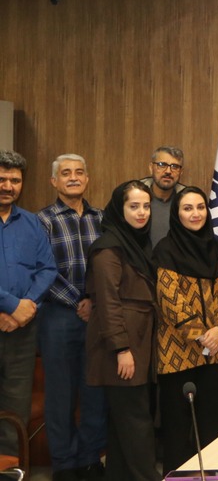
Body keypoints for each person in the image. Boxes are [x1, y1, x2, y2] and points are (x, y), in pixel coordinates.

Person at [154, 186, 218, 473]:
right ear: (177, 213)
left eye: (200, 207)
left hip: (215, 351)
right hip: (177, 353)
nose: (195, 213)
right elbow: (169, 299)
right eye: (187, 208)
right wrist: (202, 334)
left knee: (212, 424)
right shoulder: (165, 250)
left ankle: (213, 475)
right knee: (177, 428)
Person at [36, 153, 107, 480]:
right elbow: (41, 270)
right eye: (66, 173)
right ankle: (64, 464)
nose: (74, 177)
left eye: (79, 172)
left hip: (97, 315)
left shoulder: (102, 218)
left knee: (94, 392)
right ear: (55, 181)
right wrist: (79, 300)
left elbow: (110, 265)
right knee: (60, 396)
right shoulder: (42, 220)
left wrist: (93, 299)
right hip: (58, 316)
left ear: (87, 179)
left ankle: (90, 459)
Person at [85, 180, 160, 481]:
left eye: (146, 206)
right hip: (121, 347)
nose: (142, 213)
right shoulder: (109, 248)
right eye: (134, 206)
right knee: (136, 422)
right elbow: (107, 302)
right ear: (119, 208)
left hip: (136, 341)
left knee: (122, 426)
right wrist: (121, 349)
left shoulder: (136, 243)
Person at [0, 150, 57, 458]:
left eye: (15, 180)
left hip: (22, 331)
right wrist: (11, 305)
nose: (8, 186)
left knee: (16, 404)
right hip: (13, 316)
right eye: (2, 179)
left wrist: (26, 307)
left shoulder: (32, 223)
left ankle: (10, 469)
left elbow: (47, 269)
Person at [142, 145, 186, 246]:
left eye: (175, 166)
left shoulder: (188, 201)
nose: (168, 171)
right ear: (151, 168)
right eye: (162, 165)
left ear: (181, 172)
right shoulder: (133, 197)